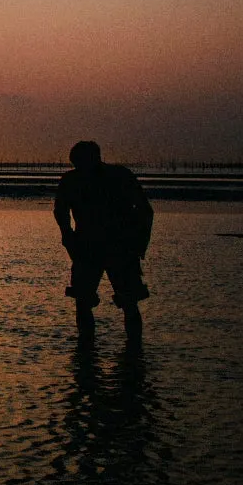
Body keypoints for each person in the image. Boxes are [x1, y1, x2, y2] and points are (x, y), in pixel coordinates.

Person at [55, 140, 153, 342]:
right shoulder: (72, 180)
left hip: (119, 247)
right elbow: (60, 212)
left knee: (128, 300)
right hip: (89, 248)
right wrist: (68, 237)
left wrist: (140, 243)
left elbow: (144, 211)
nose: (79, 167)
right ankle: (87, 350)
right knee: (84, 300)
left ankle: (132, 347)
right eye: (76, 164)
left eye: (81, 162)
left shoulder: (119, 176)